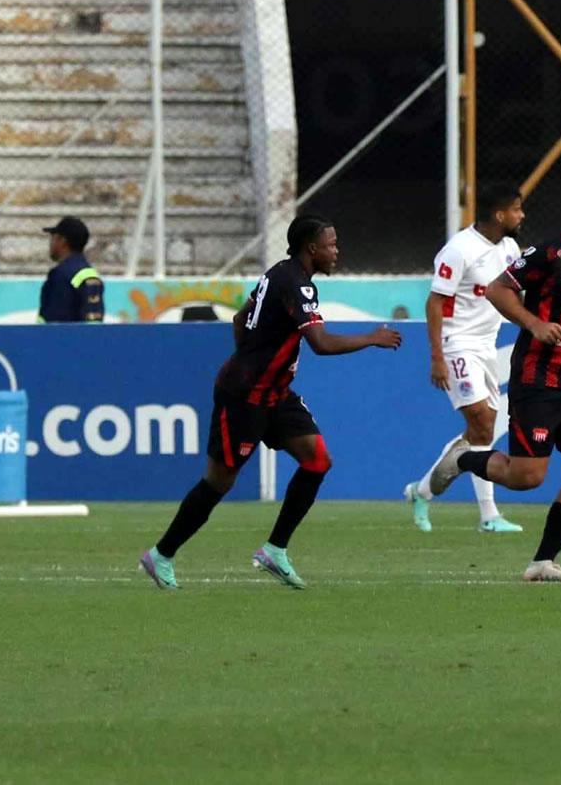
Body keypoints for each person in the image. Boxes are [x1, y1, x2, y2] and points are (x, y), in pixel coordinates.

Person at [139, 215, 403, 590]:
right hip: (245, 397)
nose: (336, 251)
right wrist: (372, 338)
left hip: (275, 393)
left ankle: (275, 549)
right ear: (311, 249)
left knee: (317, 459)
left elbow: (239, 318)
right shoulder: (296, 284)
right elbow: (321, 344)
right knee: (219, 482)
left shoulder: (279, 274)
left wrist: (254, 358)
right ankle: (161, 554)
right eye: (331, 245)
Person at [427, 182, 561, 582]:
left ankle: (543, 561)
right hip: (537, 377)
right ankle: (462, 459)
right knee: (527, 477)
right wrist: (535, 324)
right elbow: (497, 289)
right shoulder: (549, 253)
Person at [404, 185, 526, 533]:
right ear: (500, 214)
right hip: (457, 344)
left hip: (488, 346)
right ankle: (489, 515)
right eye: (517, 209)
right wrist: (437, 357)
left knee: (479, 429)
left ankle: (422, 490)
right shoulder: (458, 250)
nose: (522, 216)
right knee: (483, 422)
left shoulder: (509, 247)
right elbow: (434, 302)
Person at [38, 216, 104, 323]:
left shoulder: (60, 275)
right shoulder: (91, 275)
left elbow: (53, 320)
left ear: (62, 241)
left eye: (53, 237)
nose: (50, 243)